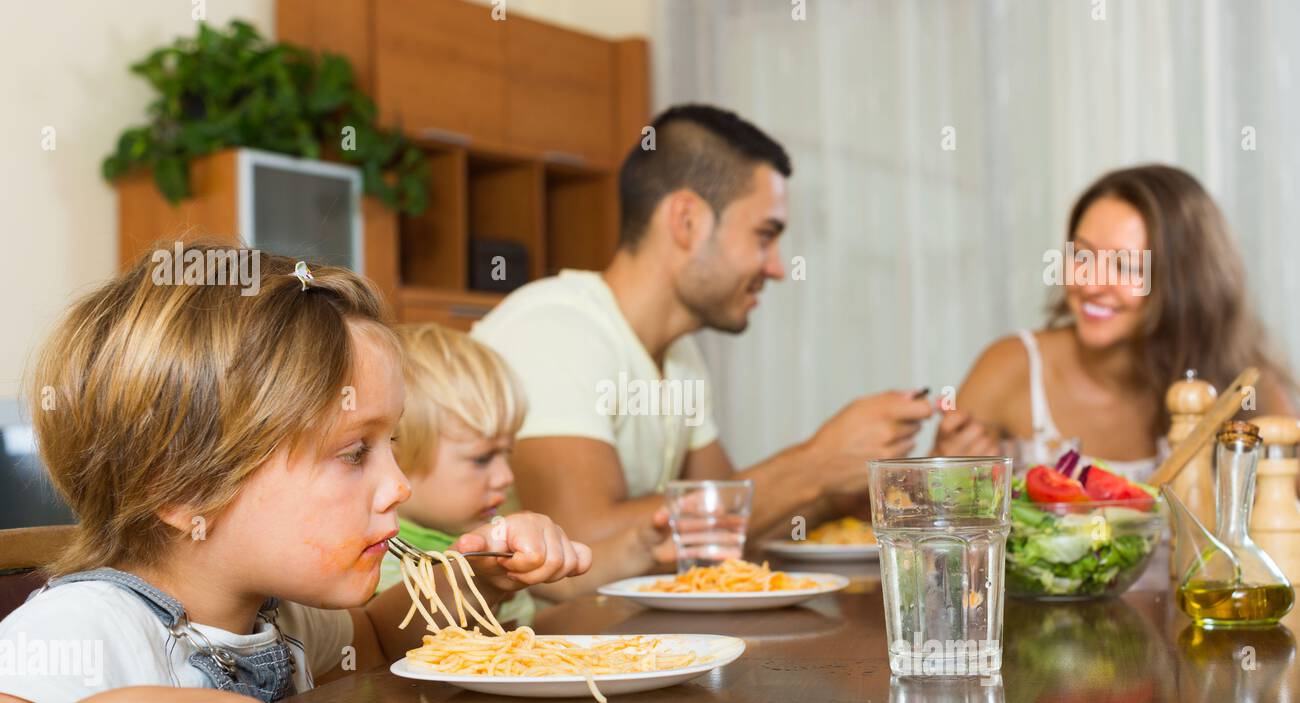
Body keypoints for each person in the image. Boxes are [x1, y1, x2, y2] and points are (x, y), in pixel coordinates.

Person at [0, 241, 591, 703]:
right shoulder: (86, 628)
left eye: (393, 441)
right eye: (355, 453)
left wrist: (480, 576)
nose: (400, 485)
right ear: (186, 488)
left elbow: (382, 638)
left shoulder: (285, 615)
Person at [474, 104, 932, 547]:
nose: (776, 267)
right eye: (765, 235)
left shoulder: (680, 356)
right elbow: (582, 546)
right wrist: (815, 464)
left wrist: (860, 484)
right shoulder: (554, 332)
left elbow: (728, 527)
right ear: (687, 220)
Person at [934, 164, 1299, 477]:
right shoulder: (1011, 367)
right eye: (1081, 256)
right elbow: (926, 516)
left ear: (1184, 283)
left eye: (1125, 266)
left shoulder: (1244, 386)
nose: (1091, 284)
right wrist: (949, 469)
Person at [377, 322, 671, 620]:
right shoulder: (380, 566)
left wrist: (640, 547)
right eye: (482, 459)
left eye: (506, 453)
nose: (506, 477)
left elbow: (565, 586)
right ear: (393, 457)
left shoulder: (491, 536)